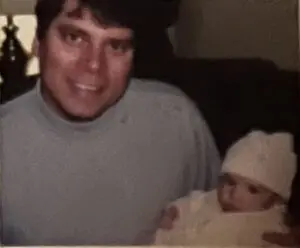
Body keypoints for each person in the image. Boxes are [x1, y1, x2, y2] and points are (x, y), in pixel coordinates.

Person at [0, 0, 220, 245]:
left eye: (116, 46)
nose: (94, 65)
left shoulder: (179, 122)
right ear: (38, 44)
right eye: (74, 37)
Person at [155, 130, 297, 246]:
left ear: (274, 199)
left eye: (252, 190)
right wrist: (171, 213)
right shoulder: (210, 199)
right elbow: (187, 204)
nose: (235, 193)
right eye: (231, 182)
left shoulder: (268, 227)